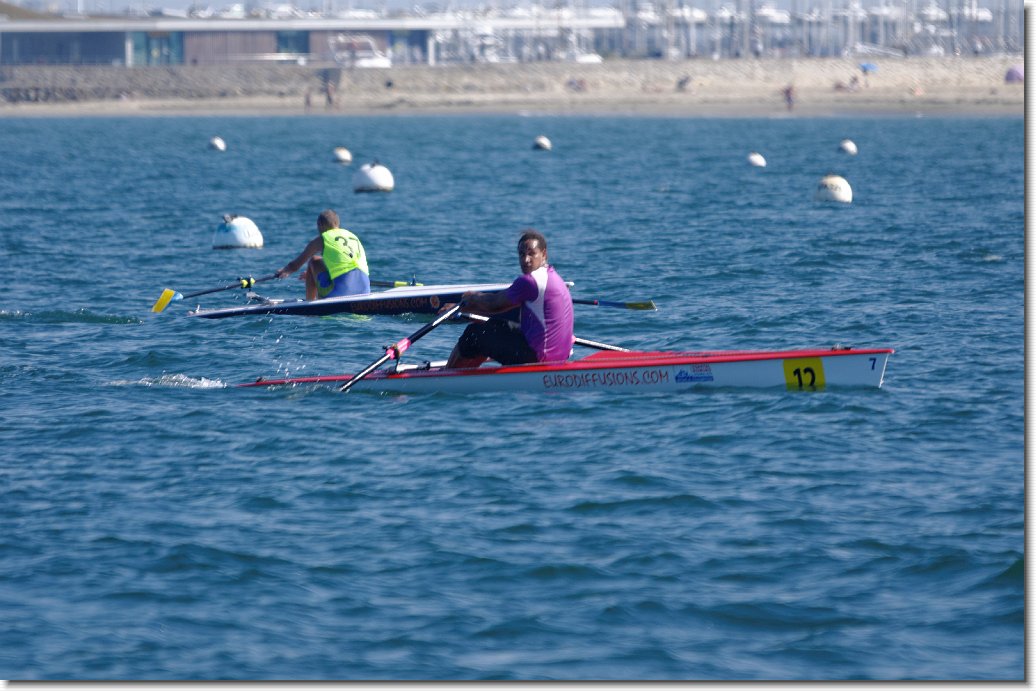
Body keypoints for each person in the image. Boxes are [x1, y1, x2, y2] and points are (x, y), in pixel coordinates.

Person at [446, 229, 574, 369]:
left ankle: (448, 376)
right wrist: (469, 309)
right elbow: (499, 310)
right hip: (560, 356)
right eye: (522, 254)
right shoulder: (555, 278)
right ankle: (468, 372)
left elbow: (494, 305)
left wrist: (470, 299)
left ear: (544, 254)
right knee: (493, 325)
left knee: (474, 333)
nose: (526, 260)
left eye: (531, 254)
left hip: (538, 358)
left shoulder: (530, 281)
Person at [275, 209, 370, 301]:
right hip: (364, 291)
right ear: (337, 223)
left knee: (314, 261)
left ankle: (310, 306)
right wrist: (312, 274)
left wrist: (284, 271)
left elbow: (294, 266)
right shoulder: (352, 236)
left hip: (341, 293)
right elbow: (342, 263)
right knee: (322, 263)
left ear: (320, 225)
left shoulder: (323, 239)